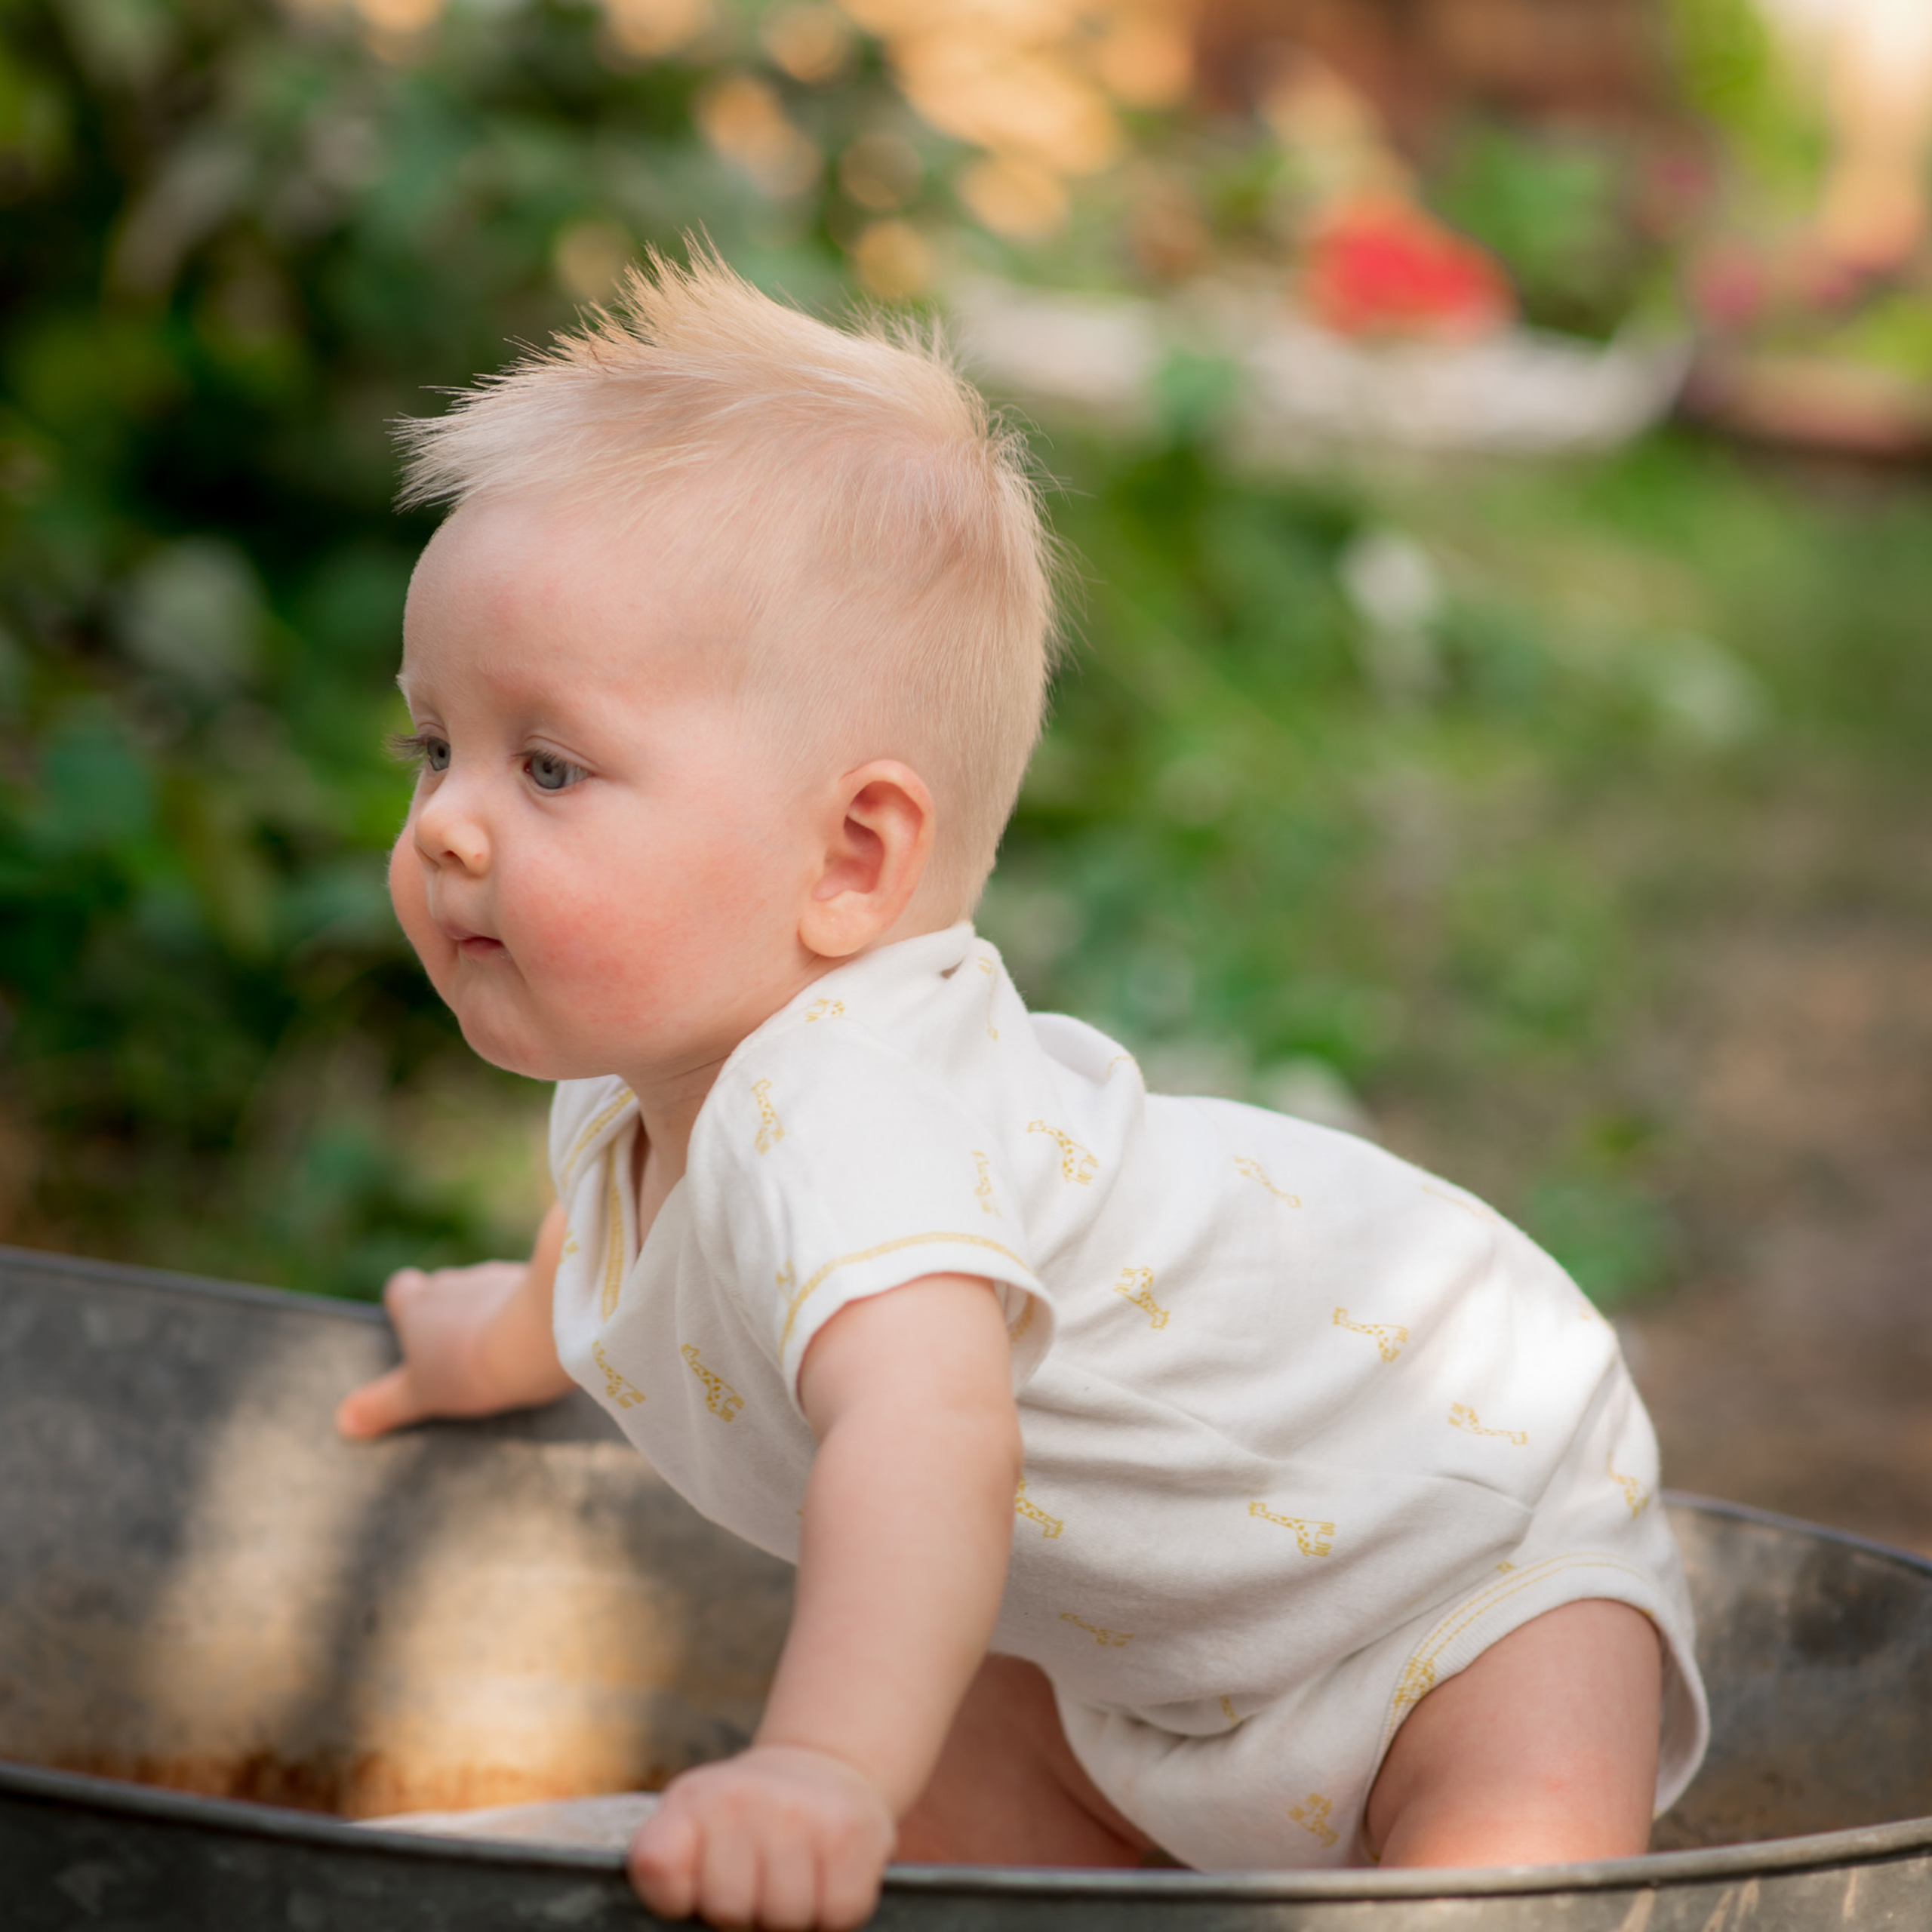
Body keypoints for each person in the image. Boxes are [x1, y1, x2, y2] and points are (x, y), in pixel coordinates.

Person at [335, 249, 1706, 1931]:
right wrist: (510, 1332)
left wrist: (824, 1762)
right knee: (957, 1866)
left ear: (850, 854)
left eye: (547, 763)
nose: (450, 825)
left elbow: (926, 1438)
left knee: (1491, 1906)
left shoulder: (848, 1113)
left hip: (1456, 1548)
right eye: (434, 748)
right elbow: (646, 1238)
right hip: (1114, 1639)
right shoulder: (651, 1088)